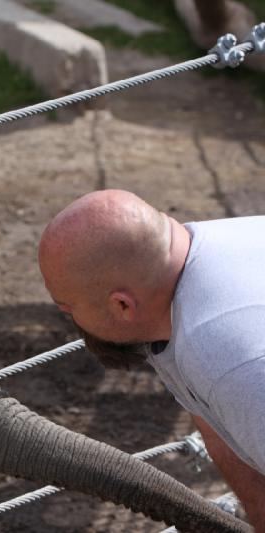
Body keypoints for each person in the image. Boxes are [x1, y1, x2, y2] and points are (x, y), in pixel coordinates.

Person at [37, 189, 265, 529]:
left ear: (122, 306)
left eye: (68, 308)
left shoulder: (228, 363)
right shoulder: (174, 265)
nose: (70, 319)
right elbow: (218, 432)